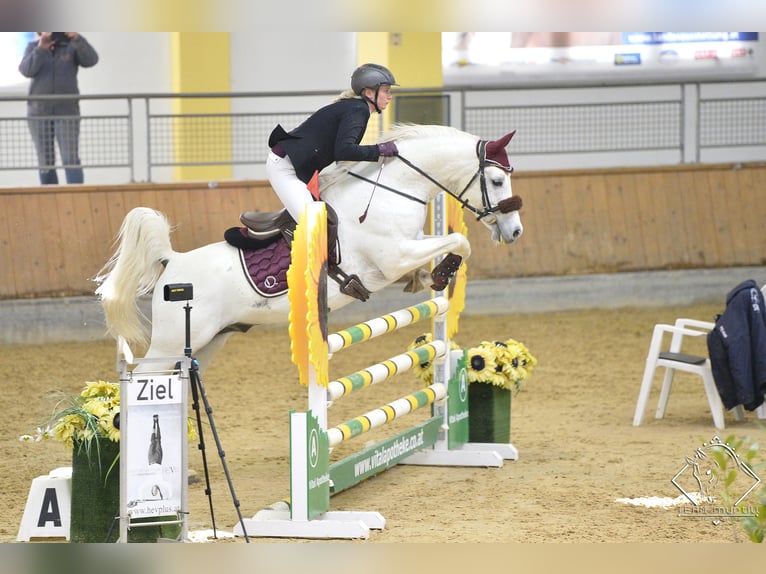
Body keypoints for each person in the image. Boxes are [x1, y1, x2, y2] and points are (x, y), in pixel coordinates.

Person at [263, 62, 399, 225]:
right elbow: (344, 151)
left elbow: (341, 154)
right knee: (313, 225)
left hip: (297, 168)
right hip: (285, 168)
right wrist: (380, 150)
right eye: (386, 91)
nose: (390, 96)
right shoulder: (358, 110)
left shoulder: (354, 108)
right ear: (369, 93)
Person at [18, 32, 99, 185]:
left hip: (67, 112)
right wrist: (41, 48)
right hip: (38, 113)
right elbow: (26, 70)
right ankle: (49, 202)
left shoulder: (71, 47)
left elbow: (91, 60)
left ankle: (76, 199)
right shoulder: (33, 47)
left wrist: (77, 38)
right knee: (45, 161)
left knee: (71, 158)